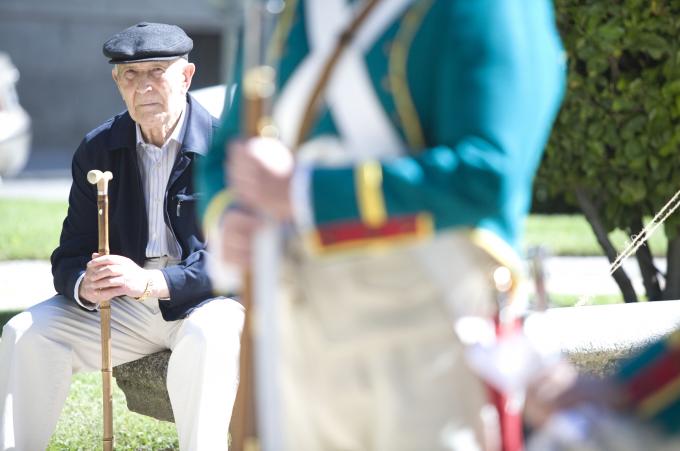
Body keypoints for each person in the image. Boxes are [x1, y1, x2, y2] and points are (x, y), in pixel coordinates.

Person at [199, 1, 565, 450]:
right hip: (297, 318)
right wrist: (230, 215)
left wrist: (304, 192)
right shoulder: (297, 10)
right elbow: (225, 156)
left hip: (426, 319)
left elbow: (488, 173)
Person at [0, 22, 243, 451]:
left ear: (186, 77)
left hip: (208, 301)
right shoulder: (98, 148)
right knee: (25, 333)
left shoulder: (226, 147)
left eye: (157, 72)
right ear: (117, 82)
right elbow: (70, 252)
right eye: (130, 75)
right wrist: (83, 283)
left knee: (208, 335)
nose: (143, 86)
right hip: (126, 305)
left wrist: (152, 282)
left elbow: (236, 259)